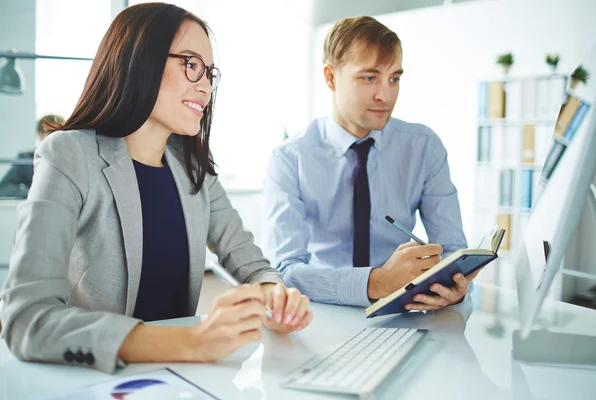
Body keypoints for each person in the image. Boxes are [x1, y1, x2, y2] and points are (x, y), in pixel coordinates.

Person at [0, 3, 312, 374]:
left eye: (210, 72)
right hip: (98, 381)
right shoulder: (69, 154)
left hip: (182, 381)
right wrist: (190, 344)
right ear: (140, 61)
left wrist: (275, 295)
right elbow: (26, 318)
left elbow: (253, 264)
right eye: (192, 65)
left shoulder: (194, 166)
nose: (206, 85)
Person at [263, 16, 475, 310]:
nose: (385, 95)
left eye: (394, 78)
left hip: (407, 313)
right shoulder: (289, 159)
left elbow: (454, 250)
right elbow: (284, 271)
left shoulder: (424, 147)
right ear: (330, 77)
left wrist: (456, 286)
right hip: (321, 312)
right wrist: (376, 282)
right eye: (369, 77)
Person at [0, 114, 64, 198]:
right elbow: (3, 188)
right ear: (39, 134)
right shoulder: (26, 158)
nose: (54, 137)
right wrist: (32, 192)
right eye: (49, 132)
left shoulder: (72, 158)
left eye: (59, 133)